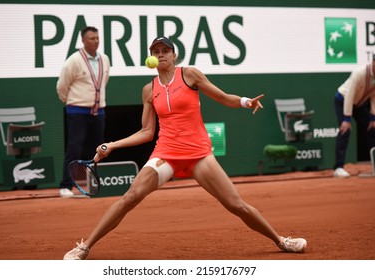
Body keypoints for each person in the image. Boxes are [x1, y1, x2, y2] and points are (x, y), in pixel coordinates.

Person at [63, 36, 307, 259]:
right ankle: (84, 247)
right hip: (166, 153)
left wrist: (245, 101)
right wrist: (113, 145)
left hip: (198, 153)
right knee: (129, 197)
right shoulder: (149, 89)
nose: (160, 55)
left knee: (236, 205)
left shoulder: (190, 75)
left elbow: (222, 97)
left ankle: (281, 241)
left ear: (174, 55)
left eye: (165, 51)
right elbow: (147, 132)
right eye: (156, 51)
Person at [57, 26, 111, 197]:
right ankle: (65, 186)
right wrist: (74, 102)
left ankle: (96, 184)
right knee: (74, 148)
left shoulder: (105, 59)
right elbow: (62, 86)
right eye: (91, 38)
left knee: (99, 150)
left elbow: (103, 82)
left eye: (97, 38)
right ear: (83, 40)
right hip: (77, 111)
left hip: (99, 111)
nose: (95, 41)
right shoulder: (73, 60)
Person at [333, 54, 375, 178]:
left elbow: (374, 96)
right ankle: (338, 168)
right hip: (343, 100)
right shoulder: (359, 73)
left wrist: (373, 118)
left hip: (359, 103)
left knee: (372, 130)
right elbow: (349, 95)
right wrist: (346, 119)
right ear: (373, 61)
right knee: (345, 130)